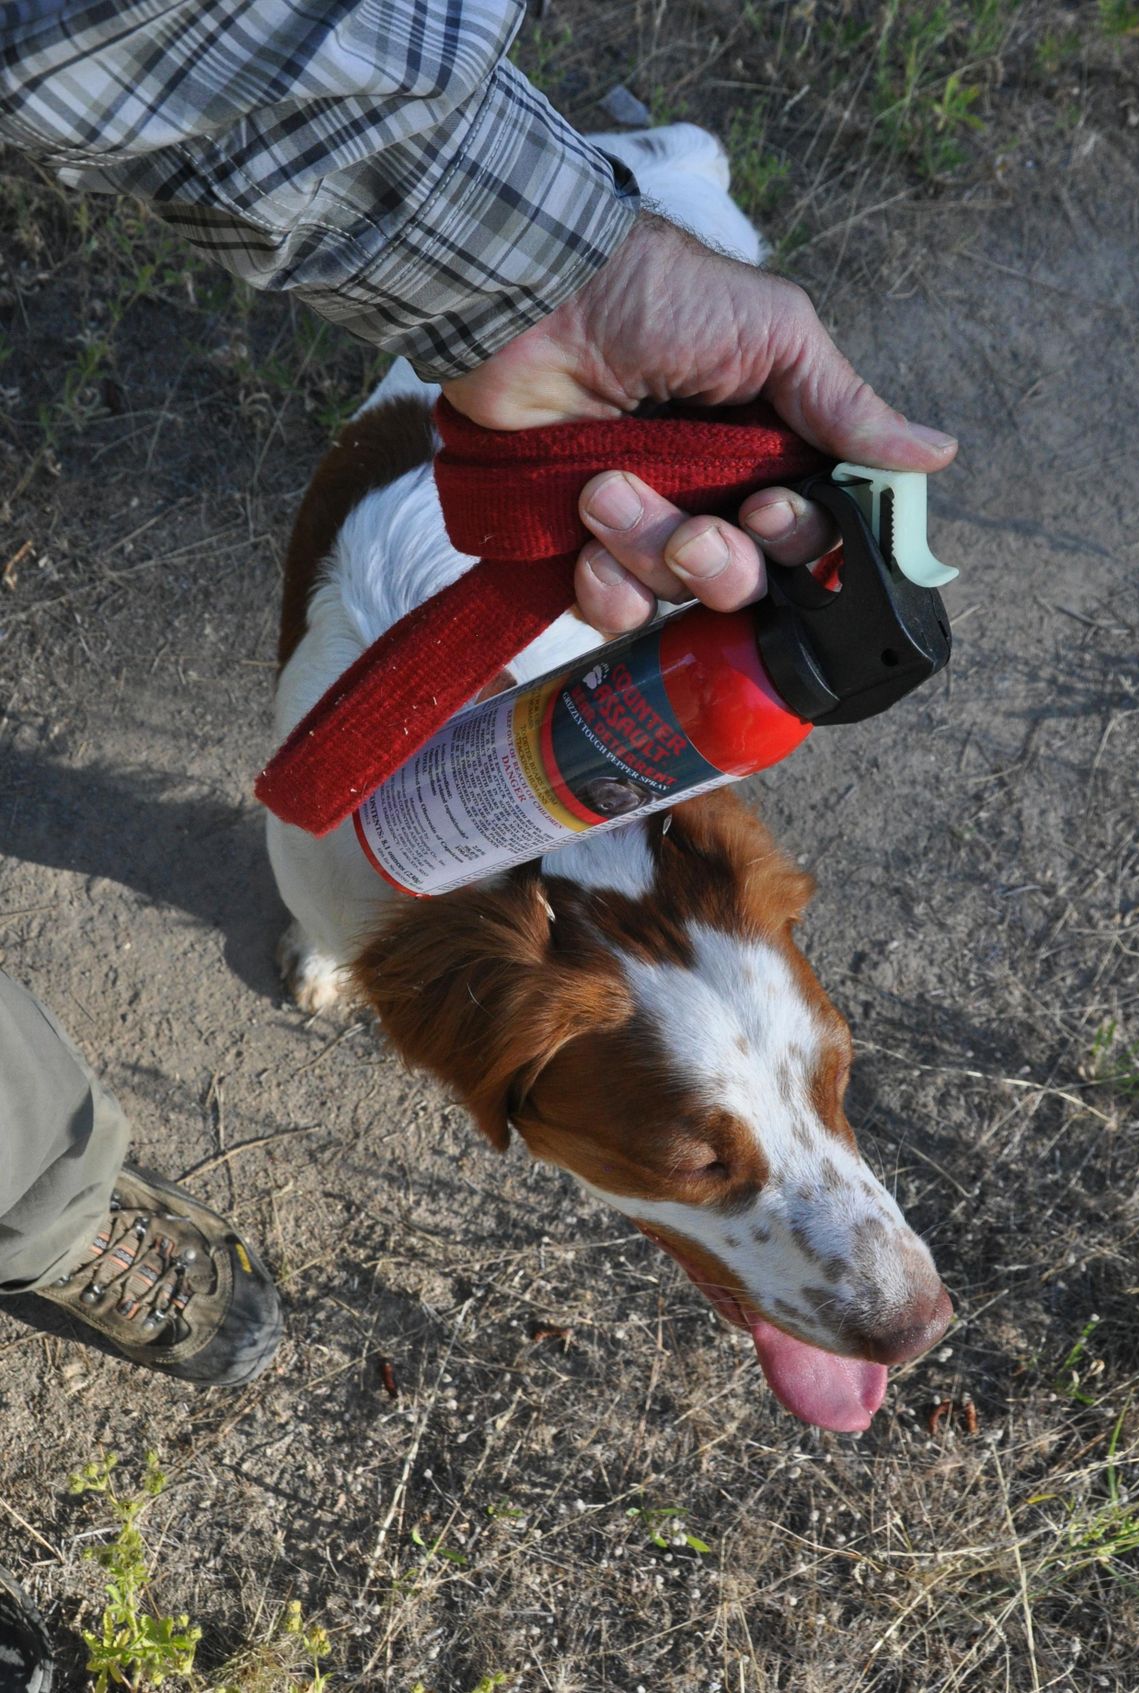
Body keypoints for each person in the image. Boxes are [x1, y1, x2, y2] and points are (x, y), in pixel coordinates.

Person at [1, 0, 956, 1670]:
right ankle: (648, 179)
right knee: (322, 902)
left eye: (818, 1084)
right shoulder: (366, 875)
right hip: (428, 567)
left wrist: (553, 261)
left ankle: (656, 177)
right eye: (705, 1160)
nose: (893, 1274)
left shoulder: (692, 848)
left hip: (509, 412)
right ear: (479, 1068)